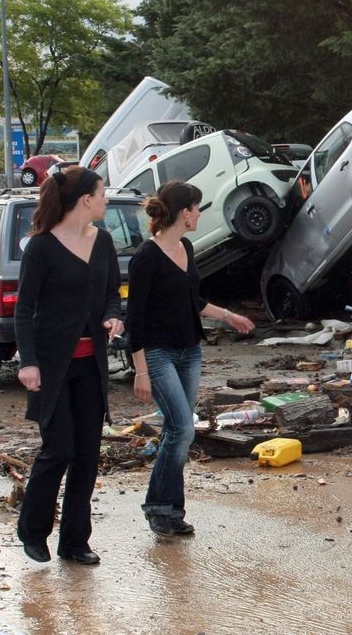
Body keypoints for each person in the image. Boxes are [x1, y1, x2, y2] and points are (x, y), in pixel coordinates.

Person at [127, 181, 254, 538]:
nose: (200, 214)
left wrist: (228, 316)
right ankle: (161, 509)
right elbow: (134, 319)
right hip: (157, 353)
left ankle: (165, 510)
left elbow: (192, 300)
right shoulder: (146, 257)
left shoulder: (185, 246)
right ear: (185, 213)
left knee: (176, 431)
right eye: (198, 208)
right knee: (182, 428)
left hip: (189, 351)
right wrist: (140, 371)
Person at [14, 166, 125, 565]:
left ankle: (76, 542)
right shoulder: (42, 247)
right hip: (52, 368)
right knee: (58, 449)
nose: (106, 199)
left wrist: (114, 316)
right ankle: (32, 530)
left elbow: (113, 292)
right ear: (85, 200)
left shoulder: (104, 241)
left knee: (87, 455)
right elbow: (24, 311)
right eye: (102, 193)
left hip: (90, 367)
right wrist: (28, 362)